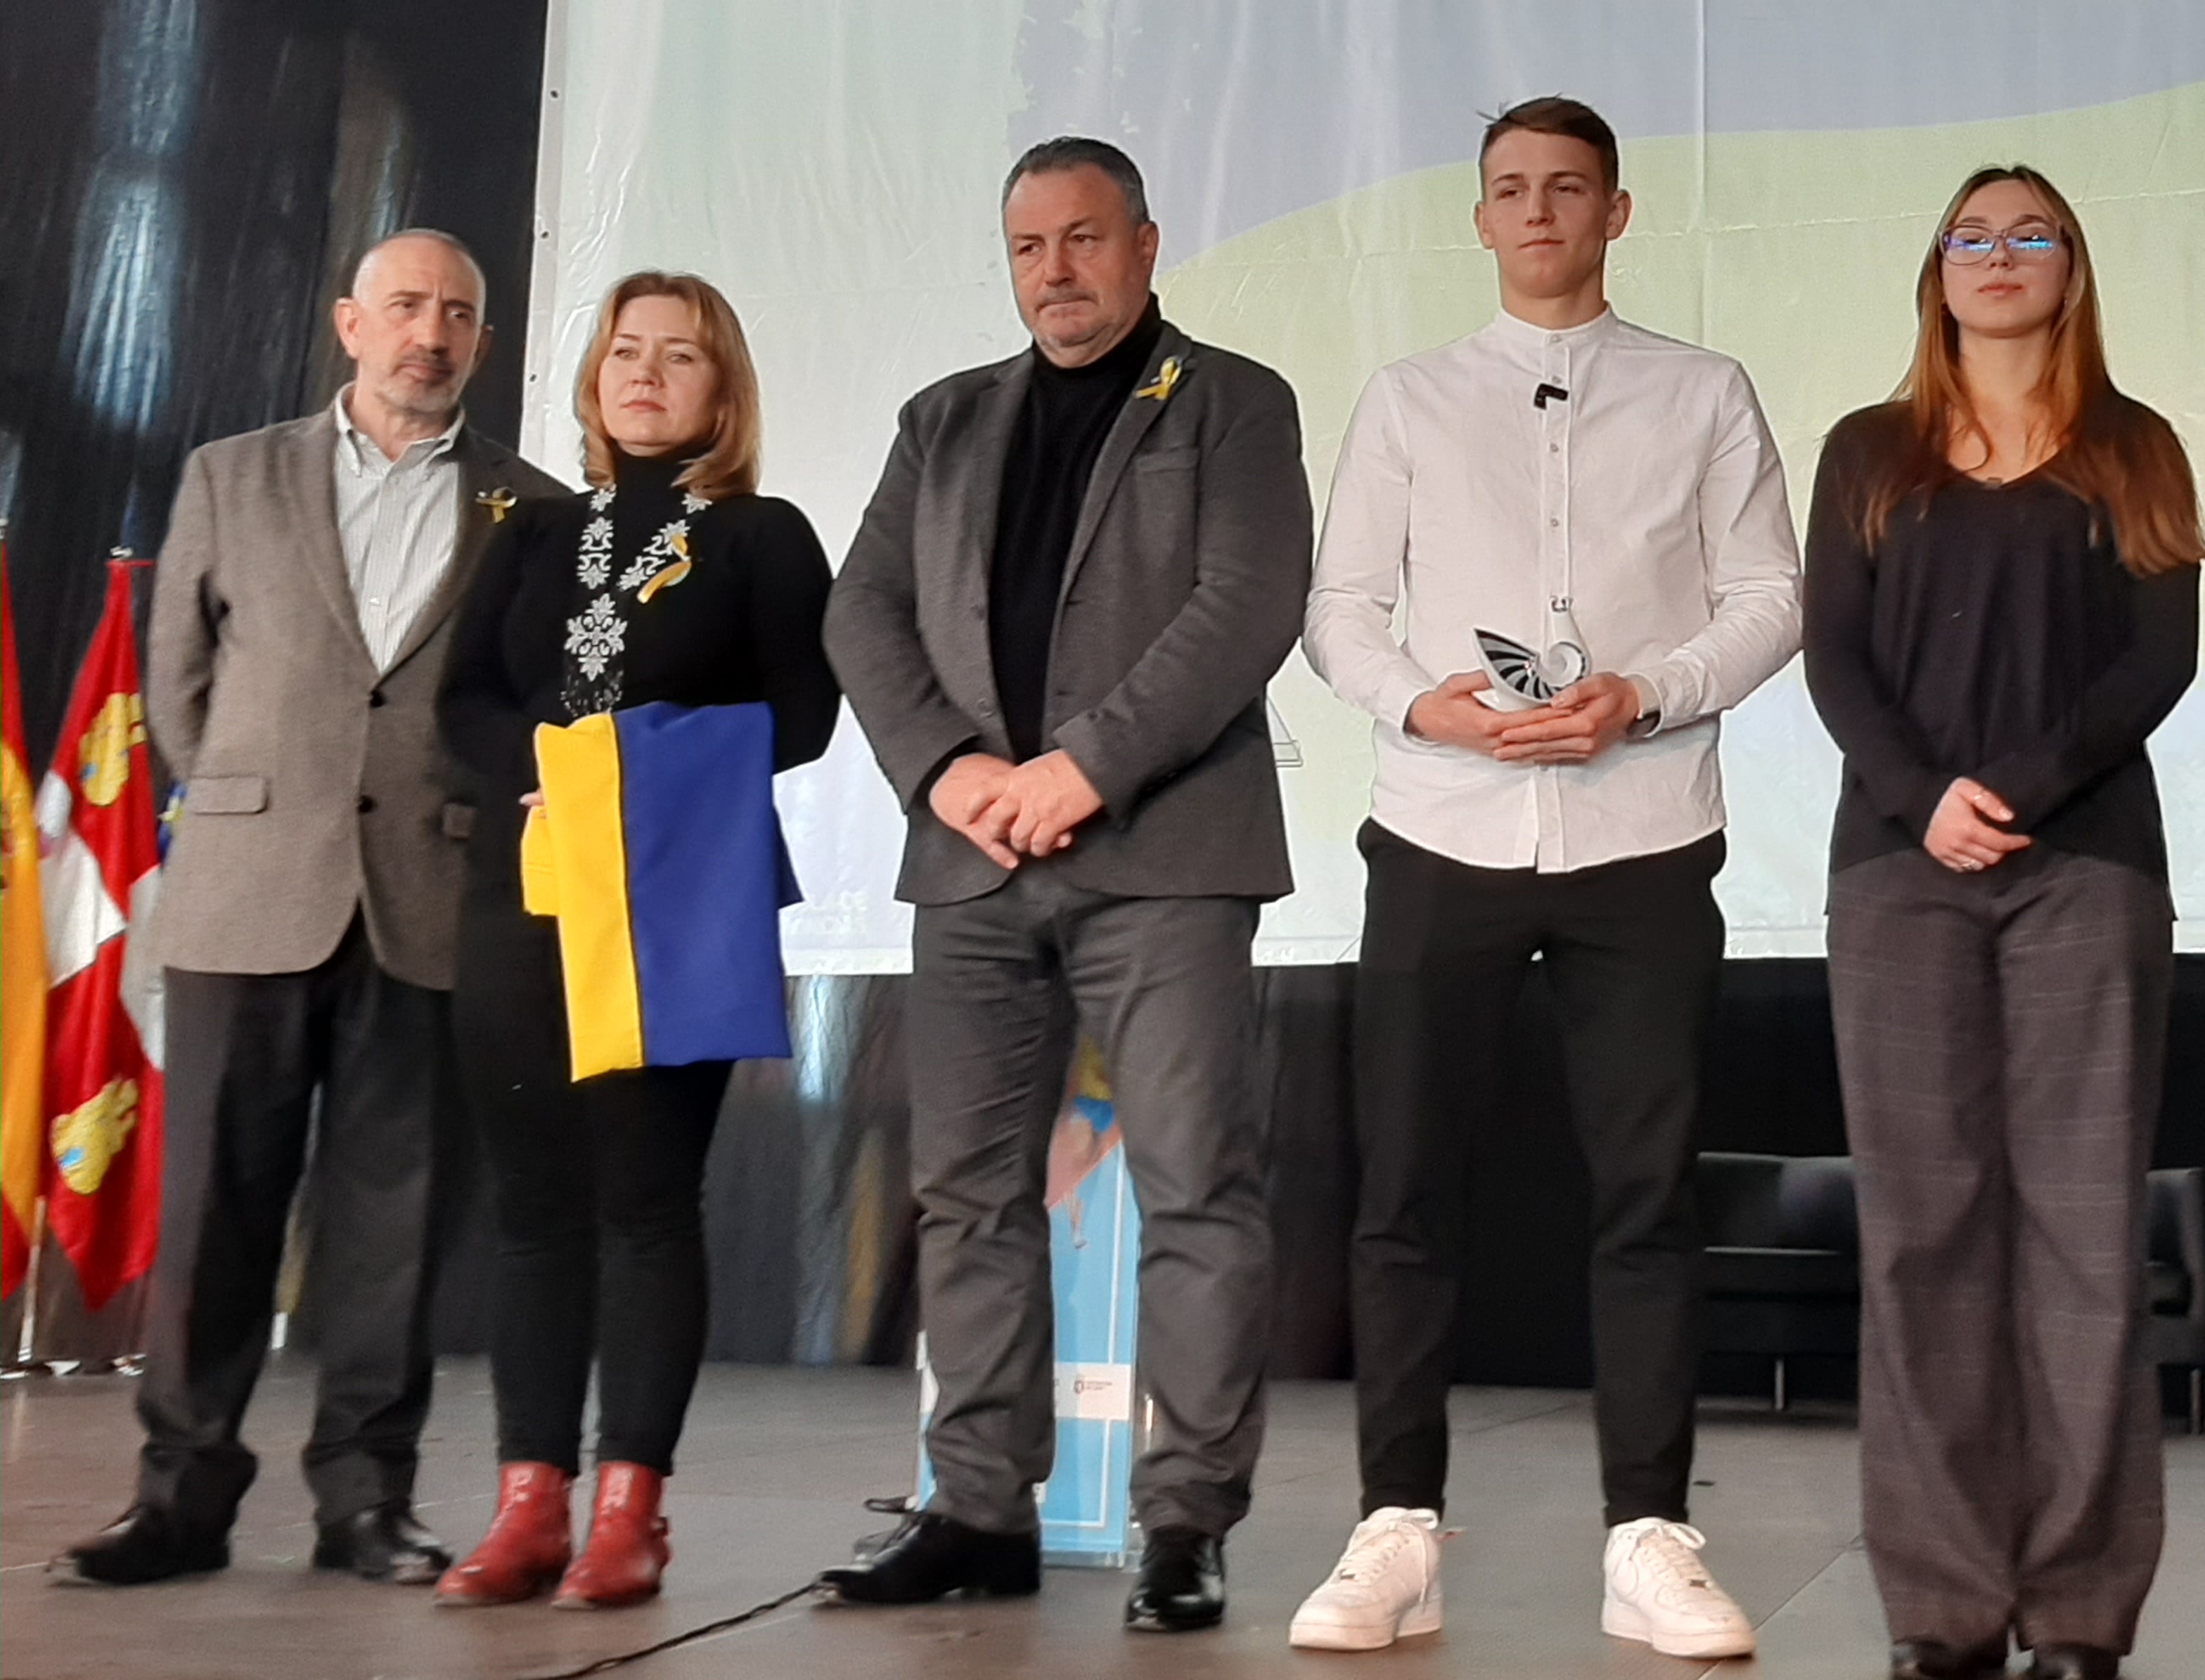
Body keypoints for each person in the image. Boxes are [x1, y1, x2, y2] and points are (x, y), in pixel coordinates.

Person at [1297, 96, 1800, 1661]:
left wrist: (1642, 689)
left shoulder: (1703, 391)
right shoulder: (1406, 400)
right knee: (1401, 1194)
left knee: (1643, 1195)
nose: (1536, 214)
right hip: (1441, 831)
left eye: (1564, 190)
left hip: (1639, 837)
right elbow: (1339, 606)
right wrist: (1417, 702)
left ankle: (1647, 1533)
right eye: (1508, 191)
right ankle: (1395, 1529)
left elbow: (1769, 594)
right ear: (1479, 218)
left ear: (1615, 212)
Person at [818, 136, 1309, 1634]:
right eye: (1029, 245)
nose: (1056, 270)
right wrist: (948, 772)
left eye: (1084, 239)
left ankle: (1184, 1525)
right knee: (964, 1195)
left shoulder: (1230, 400)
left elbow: (1245, 604)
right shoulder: (944, 419)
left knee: (1193, 1188)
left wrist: (1081, 766)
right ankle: (976, 1508)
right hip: (968, 859)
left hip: (1160, 853)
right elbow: (863, 610)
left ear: (1145, 246)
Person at [52, 231, 561, 1589]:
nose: (430, 335)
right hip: (250, 891)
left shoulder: (532, 505)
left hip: (432, 896)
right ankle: (180, 1498)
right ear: (350, 322)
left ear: (484, 344)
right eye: (406, 307)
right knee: (215, 1206)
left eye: (458, 315)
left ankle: (365, 1503)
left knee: (398, 1225)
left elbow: (524, 706)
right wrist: (264, 805)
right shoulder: (233, 474)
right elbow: (181, 691)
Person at [1801, 167, 2204, 1680]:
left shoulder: (2129, 448)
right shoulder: (1863, 452)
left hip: (2083, 870)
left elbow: (2156, 661)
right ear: (1934, 269)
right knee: (1923, 1240)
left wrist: (2014, 789)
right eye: (1969, 234)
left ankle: (2083, 1613)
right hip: (1898, 876)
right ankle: (1946, 1610)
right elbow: (1835, 661)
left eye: (2027, 233)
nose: (1996, 255)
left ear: (2069, 267)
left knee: (2081, 1237)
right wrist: (1924, 801)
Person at [429, 271, 836, 1608]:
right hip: (527, 893)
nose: (645, 374)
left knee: (646, 1205)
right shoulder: (532, 530)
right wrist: (546, 768)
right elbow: (467, 699)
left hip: (673, 894)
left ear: (725, 390)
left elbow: (803, 716)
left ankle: (629, 1515)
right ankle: (527, 1505)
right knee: (535, 1213)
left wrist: (642, 777)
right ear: (593, 377)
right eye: (624, 352)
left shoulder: (762, 535)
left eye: (679, 356)